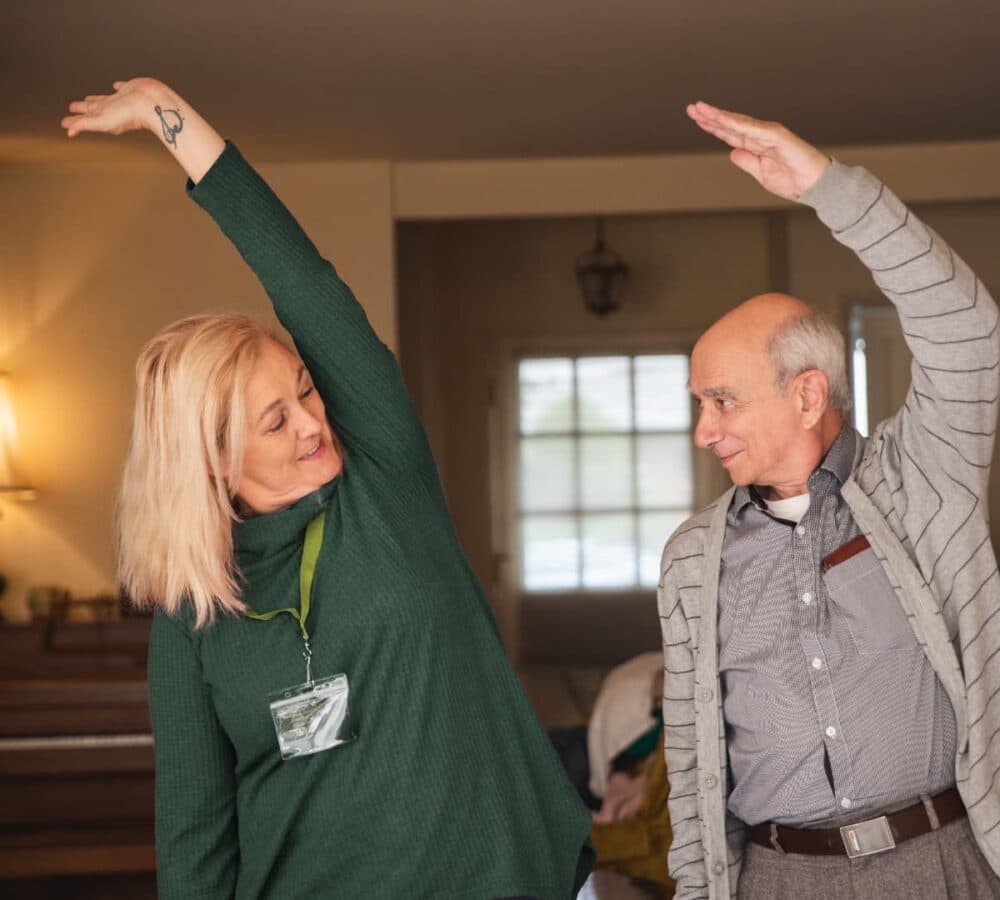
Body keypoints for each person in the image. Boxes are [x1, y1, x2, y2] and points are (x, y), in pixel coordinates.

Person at [62, 78, 593, 900]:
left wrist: (171, 116)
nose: (312, 423)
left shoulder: (384, 481)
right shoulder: (193, 606)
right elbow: (195, 833)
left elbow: (302, 279)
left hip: (507, 877)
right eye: (274, 422)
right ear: (211, 459)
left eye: (306, 389)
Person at [658, 102, 1000, 899]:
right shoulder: (690, 561)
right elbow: (690, 759)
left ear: (807, 395)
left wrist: (827, 187)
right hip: (780, 878)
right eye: (697, 405)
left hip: (943, 864)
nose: (704, 431)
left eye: (723, 401)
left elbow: (970, 335)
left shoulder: (925, 478)